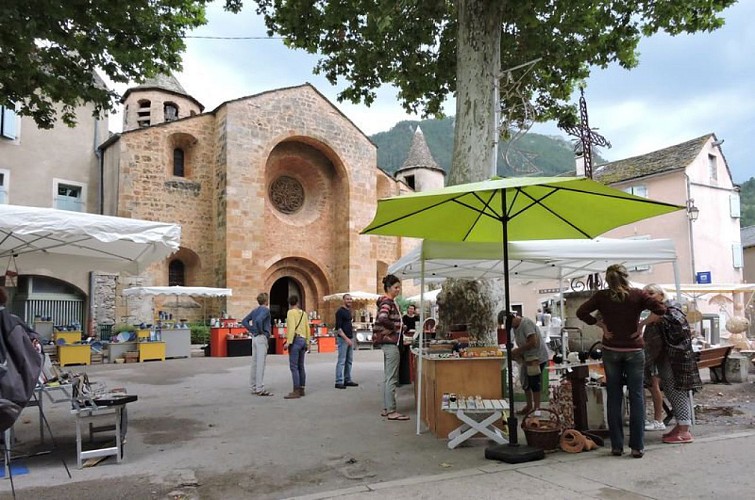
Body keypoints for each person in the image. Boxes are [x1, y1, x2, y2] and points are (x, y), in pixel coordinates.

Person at [576, 264, 666, 459]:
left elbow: (581, 312)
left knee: (614, 396)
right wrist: (642, 324)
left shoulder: (601, 296)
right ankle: (637, 446)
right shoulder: (638, 295)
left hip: (611, 349)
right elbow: (661, 308)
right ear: (626, 277)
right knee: (636, 396)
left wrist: (600, 325)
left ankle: (617, 446)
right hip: (634, 349)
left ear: (608, 279)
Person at [642, 284, 702, 444]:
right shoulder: (662, 312)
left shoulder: (672, 311)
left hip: (675, 360)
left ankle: (684, 429)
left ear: (661, 295)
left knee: (676, 390)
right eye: (645, 293)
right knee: (670, 389)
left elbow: (678, 332)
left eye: (651, 293)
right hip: (666, 359)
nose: (648, 296)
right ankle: (681, 425)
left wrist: (655, 320)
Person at [374, 274, 408, 421]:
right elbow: (383, 317)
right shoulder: (388, 302)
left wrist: (401, 327)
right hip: (391, 343)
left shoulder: (387, 301)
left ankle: (387, 407)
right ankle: (392, 411)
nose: (398, 290)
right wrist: (394, 328)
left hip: (389, 342)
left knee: (389, 377)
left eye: (399, 287)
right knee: (392, 378)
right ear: (388, 288)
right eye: (396, 287)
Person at [508, 312, 550, 416]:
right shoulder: (515, 328)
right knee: (525, 381)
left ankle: (537, 408)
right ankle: (529, 406)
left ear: (514, 318)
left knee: (534, 381)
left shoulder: (526, 323)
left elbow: (533, 342)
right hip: (527, 357)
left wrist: (518, 350)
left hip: (537, 357)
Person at [242, 292, 272, 396]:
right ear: (266, 300)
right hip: (261, 337)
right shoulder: (266, 310)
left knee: (254, 363)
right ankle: (260, 388)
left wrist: (251, 329)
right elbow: (259, 320)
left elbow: (244, 321)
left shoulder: (255, 310)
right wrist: (261, 331)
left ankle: (253, 386)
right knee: (260, 363)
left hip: (254, 338)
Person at [284, 295, 310, 399]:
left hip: (296, 340)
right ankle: (302, 388)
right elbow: (307, 327)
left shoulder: (290, 313)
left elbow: (291, 328)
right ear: (298, 302)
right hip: (303, 340)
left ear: (289, 303)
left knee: (293, 366)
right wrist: (307, 341)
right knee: (301, 366)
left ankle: (296, 390)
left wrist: (288, 342)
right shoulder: (304, 313)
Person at [334, 294, 358, 389]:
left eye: (350, 299)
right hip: (343, 339)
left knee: (349, 360)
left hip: (350, 338)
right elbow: (338, 328)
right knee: (342, 360)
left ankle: (347, 379)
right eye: (347, 299)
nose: (349, 301)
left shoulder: (349, 311)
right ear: (343, 300)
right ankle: (339, 381)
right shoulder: (340, 312)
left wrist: (351, 338)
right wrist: (346, 339)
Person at [398, 304, 418, 385]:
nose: (411, 310)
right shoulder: (404, 318)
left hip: (414, 335)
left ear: (414, 310)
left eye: (412, 309)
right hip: (406, 336)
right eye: (409, 308)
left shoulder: (417, 318)